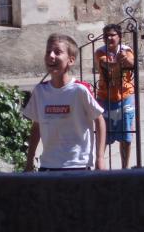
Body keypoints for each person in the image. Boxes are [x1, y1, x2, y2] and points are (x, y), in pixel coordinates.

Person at [23, 33, 106, 171]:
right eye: (48, 52)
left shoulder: (80, 90)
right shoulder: (40, 91)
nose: (51, 56)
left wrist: (100, 158)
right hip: (48, 165)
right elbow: (36, 126)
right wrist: (29, 161)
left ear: (71, 60)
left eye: (57, 52)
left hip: (78, 165)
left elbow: (99, 119)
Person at [95, 23, 135, 169]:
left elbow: (132, 64)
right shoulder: (100, 52)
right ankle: (100, 167)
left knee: (126, 136)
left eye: (112, 35)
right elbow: (106, 65)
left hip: (125, 96)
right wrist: (118, 61)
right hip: (105, 98)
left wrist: (126, 59)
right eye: (106, 36)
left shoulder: (126, 50)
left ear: (120, 37)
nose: (109, 38)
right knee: (103, 136)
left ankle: (125, 168)